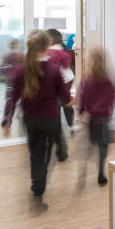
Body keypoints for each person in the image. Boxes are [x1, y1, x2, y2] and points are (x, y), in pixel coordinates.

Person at [1, 30, 71, 197]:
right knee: (46, 154)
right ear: (48, 46)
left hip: (30, 120)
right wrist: (73, 100)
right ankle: (39, 182)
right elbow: (65, 97)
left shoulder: (20, 70)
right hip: (50, 119)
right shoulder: (54, 70)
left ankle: (37, 184)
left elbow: (12, 98)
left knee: (35, 152)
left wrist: (6, 122)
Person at [76, 46, 115, 185]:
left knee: (89, 146)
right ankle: (101, 173)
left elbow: (83, 98)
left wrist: (80, 113)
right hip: (105, 117)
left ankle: (82, 173)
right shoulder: (110, 76)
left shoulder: (88, 78)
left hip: (93, 119)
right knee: (103, 146)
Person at [45, 29, 75, 159]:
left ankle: (61, 147)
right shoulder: (62, 50)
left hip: (60, 82)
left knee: (58, 110)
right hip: (66, 80)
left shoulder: (53, 52)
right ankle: (71, 126)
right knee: (65, 104)